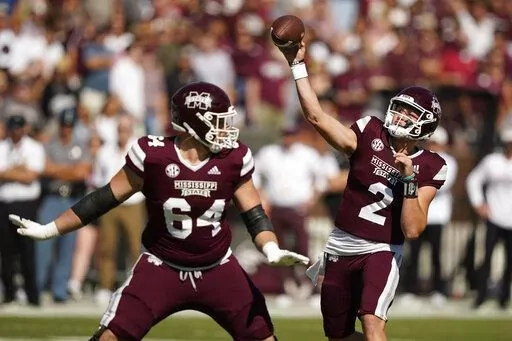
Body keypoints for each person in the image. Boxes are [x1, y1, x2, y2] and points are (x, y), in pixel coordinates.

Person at [9, 81, 309, 341]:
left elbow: (255, 215)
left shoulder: (234, 158)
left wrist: (270, 248)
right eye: (218, 121)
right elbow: (102, 199)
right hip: (162, 267)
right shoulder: (153, 155)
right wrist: (50, 228)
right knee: (111, 335)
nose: (226, 129)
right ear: (195, 124)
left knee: (262, 336)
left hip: (218, 267)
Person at [278, 42, 447, 340]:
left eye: (411, 113)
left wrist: (409, 179)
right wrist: (297, 66)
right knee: (338, 335)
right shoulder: (369, 130)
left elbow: (413, 229)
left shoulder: (431, 164)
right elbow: (317, 117)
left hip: (381, 249)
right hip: (340, 244)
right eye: (401, 108)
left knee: (372, 321)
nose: (401, 116)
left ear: (426, 124)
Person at [401, 126, 458, 305]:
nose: (433, 146)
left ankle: (438, 290)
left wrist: (413, 183)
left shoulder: (447, 161)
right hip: (417, 213)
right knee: (414, 253)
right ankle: (411, 289)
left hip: (437, 215)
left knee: (435, 255)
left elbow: (442, 185)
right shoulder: (423, 159)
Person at [0, 115, 45, 307]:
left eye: (19, 128)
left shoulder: (34, 147)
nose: (16, 132)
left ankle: (32, 294)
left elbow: (31, 176)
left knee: (28, 249)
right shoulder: (2, 147)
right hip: (5, 202)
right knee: (6, 250)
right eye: (13, 128)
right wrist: (19, 169)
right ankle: (9, 293)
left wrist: (9, 172)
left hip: (26, 203)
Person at [466, 126, 512, 310]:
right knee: (486, 258)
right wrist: (479, 204)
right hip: (493, 217)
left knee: (510, 260)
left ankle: (504, 297)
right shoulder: (492, 161)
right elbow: (473, 180)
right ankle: (481, 295)